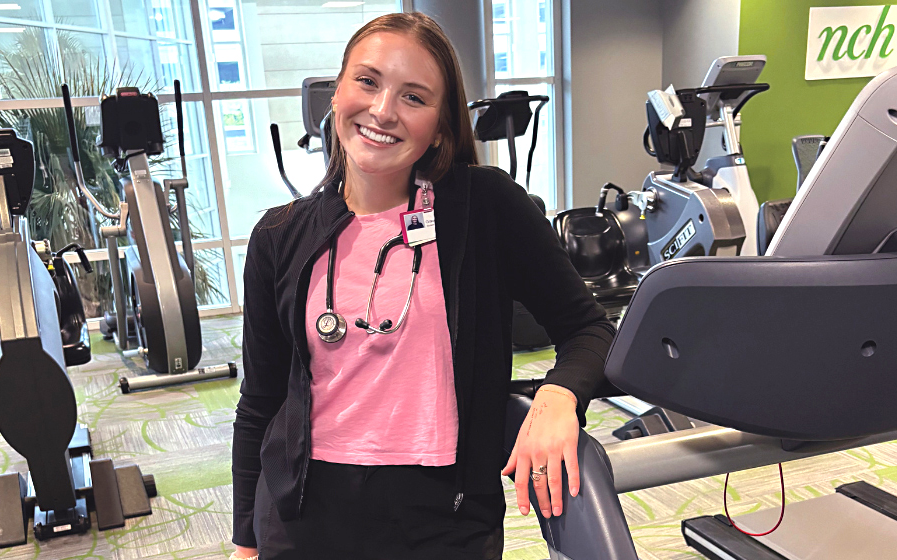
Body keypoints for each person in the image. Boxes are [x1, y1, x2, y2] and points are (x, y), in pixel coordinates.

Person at [231, 12, 613, 560]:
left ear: (441, 125)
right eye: (367, 81)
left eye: (414, 97)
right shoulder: (278, 235)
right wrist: (246, 543)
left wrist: (557, 399)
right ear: (336, 93)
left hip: (442, 520)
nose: (383, 110)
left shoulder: (485, 208)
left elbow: (588, 328)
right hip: (303, 516)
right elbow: (261, 402)